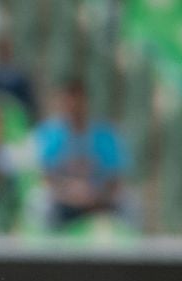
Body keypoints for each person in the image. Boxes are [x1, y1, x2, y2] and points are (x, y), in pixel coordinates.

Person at [35, 80, 131, 229]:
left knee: (130, 203)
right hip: (62, 199)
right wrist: (70, 193)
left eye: (78, 102)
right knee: (39, 203)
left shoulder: (104, 134)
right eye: (69, 103)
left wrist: (96, 196)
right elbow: (46, 176)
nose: (74, 108)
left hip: (99, 200)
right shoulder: (51, 133)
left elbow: (115, 178)